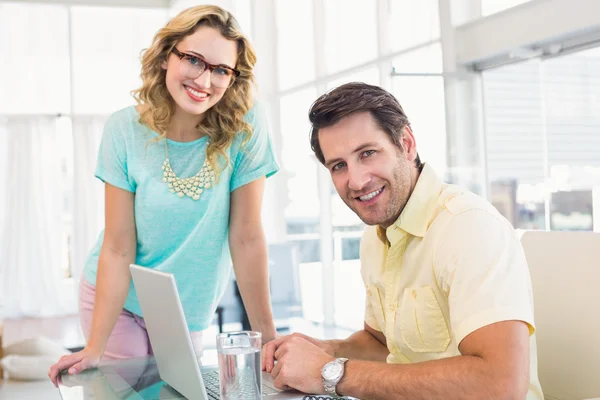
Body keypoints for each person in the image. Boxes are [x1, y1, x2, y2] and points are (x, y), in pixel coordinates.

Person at [262, 82, 543, 400]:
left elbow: (500, 385)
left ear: (407, 144)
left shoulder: (468, 226)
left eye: (367, 153)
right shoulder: (377, 234)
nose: (355, 180)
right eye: (339, 166)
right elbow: (383, 346)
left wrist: (331, 373)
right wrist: (322, 351)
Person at [49, 5, 279, 386]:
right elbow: (118, 247)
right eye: (193, 59)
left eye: (221, 69)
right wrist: (93, 346)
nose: (205, 80)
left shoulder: (245, 125)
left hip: (185, 311)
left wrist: (268, 339)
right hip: (117, 301)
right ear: (165, 57)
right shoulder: (124, 129)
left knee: (179, 392)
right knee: (129, 394)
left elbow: (247, 236)